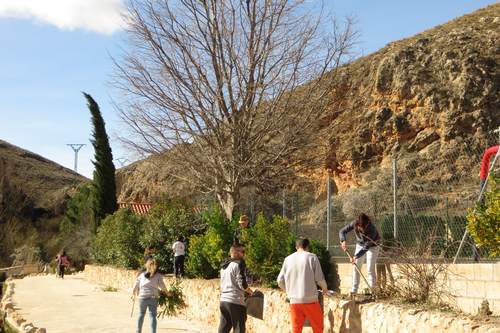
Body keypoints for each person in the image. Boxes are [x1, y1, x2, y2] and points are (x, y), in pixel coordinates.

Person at [277, 238, 328, 333]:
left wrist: (288, 291)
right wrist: (325, 289)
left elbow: (279, 281)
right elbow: (319, 279)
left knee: (296, 329)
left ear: (296, 247)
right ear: (307, 246)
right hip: (311, 300)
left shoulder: (287, 259)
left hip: (294, 301)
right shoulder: (312, 257)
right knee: (318, 328)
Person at [339, 213, 380, 294]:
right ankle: (354, 291)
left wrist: (355, 256)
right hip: (360, 245)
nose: (361, 229)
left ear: (366, 224)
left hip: (373, 246)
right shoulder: (354, 223)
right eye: (359, 227)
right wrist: (343, 241)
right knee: (356, 267)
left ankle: (372, 291)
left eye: (362, 228)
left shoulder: (372, 229)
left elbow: (366, 247)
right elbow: (342, 231)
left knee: (370, 269)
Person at [218, 245, 253, 333]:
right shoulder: (239, 264)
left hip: (224, 300)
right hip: (235, 301)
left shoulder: (223, 266)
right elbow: (242, 283)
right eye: (242, 252)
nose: (243, 254)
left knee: (224, 328)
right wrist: (250, 291)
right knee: (239, 329)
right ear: (235, 252)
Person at [133, 258, 166, 333]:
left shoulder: (142, 275)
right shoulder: (158, 276)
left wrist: (134, 293)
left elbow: (136, 284)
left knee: (141, 314)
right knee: (152, 316)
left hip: (142, 298)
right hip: (153, 298)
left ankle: (138, 331)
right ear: (155, 266)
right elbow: (162, 286)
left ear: (146, 265)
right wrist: (167, 293)